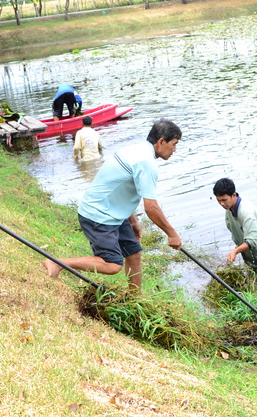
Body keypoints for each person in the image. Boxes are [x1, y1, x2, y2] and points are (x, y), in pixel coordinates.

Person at [44, 119, 183, 291]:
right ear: (161, 141)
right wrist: (172, 234)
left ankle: (134, 300)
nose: (175, 150)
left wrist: (133, 221)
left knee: (133, 253)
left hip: (111, 212)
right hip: (99, 215)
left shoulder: (136, 150)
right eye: (174, 144)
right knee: (112, 265)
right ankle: (57, 263)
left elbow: (120, 187)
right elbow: (151, 207)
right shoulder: (146, 162)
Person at [212, 178, 257, 273]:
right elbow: (234, 229)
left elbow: (253, 240)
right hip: (251, 257)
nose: (222, 204)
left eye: (224, 200)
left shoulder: (246, 212)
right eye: (218, 200)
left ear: (233, 195)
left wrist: (236, 251)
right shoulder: (228, 208)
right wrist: (238, 247)